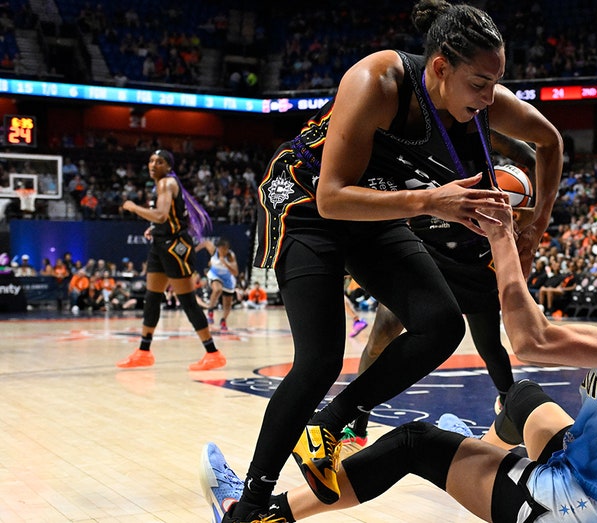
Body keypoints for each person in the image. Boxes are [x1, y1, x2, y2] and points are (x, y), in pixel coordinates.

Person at [224, 0, 562, 519]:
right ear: (441, 68)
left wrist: (536, 224)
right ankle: (249, 507)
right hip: (305, 202)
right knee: (319, 360)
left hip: (375, 208)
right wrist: (432, 200)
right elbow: (333, 197)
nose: (489, 96)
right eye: (479, 84)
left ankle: (330, 425)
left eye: (496, 82)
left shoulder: (483, 98)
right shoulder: (376, 79)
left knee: (442, 323)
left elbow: (551, 141)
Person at [201, 222, 597, 522]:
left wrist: (504, 237)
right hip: (593, 476)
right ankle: (477, 451)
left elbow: (531, 341)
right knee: (523, 397)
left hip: (578, 509)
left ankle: (265, 513)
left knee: (414, 445)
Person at [340, 131, 547, 455]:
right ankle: (357, 418)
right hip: (425, 247)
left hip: (475, 254)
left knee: (489, 345)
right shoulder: (402, 136)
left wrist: (536, 216)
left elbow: (534, 156)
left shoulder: (473, 128)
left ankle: (511, 405)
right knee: (381, 334)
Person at [115, 149, 227, 371]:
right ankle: (144, 351)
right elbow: (165, 219)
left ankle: (213, 353)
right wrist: (154, 228)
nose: (153, 164)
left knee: (187, 301)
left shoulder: (167, 183)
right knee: (151, 297)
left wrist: (133, 207)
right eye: (151, 160)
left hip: (175, 247)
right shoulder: (163, 185)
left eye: (160, 161)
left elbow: (161, 215)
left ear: (169, 167)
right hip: (161, 244)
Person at [200, 237, 240, 333]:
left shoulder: (230, 256)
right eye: (221, 249)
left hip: (227, 278)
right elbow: (205, 243)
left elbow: (235, 273)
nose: (222, 251)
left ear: (227, 249)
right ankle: (210, 310)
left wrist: (225, 263)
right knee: (217, 289)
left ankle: (223, 320)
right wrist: (194, 250)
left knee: (227, 304)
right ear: (218, 248)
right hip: (215, 275)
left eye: (224, 249)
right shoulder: (214, 251)